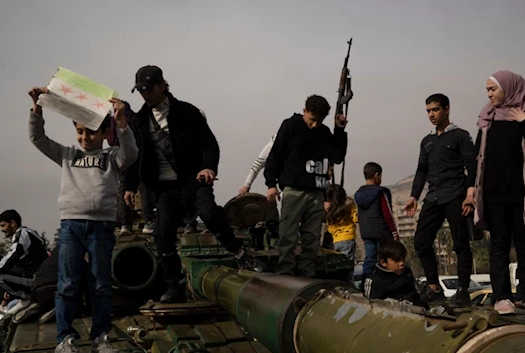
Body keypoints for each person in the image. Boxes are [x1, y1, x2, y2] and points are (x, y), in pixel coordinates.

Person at [124, 65, 264, 304]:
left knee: (210, 213)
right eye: (140, 90)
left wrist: (209, 167)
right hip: (166, 188)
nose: (144, 94)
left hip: (193, 180)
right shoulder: (139, 121)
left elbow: (210, 145)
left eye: (148, 88)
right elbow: (135, 155)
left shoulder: (187, 112)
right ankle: (173, 285)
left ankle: (240, 253)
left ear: (161, 86)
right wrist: (129, 185)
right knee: (162, 231)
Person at [28, 86, 138, 352]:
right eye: (79, 131)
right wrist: (37, 109)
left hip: (101, 227)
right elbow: (38, 138)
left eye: (91, 131)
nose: (85, 137)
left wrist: (121, 122)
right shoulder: (67, 154)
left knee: (100, 284)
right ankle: (65, 338)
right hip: (71, 226)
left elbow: (131, 154)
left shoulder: (112, 156)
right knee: (67, 283)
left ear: (103, 133)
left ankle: (101, 337)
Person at [468, 71, 525, 316]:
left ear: (509, 88)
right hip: (494, 194)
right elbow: (478, 155)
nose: (489, 94)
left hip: (522, 193)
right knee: (499, 245)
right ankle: (502, 297)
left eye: (493, 89)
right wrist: (472, 187)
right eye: (487, 90)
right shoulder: (488, 117)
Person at [264, 94, 348, 277]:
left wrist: (339, 130)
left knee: (311, 240)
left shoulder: (324, 133)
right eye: (312, 120)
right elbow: (274, 156)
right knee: (288, 236)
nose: (315, 125)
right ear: (304, 111)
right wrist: (271, 184)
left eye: (319, 121)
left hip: (317, 193)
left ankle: (306, 274)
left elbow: (337, 156)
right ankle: (285, 274)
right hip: (294, 191)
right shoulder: (290, 126)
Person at [404, 93, 475, 305]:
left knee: (460, 243)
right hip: (433, 196)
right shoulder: (427, 141)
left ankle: (463, 290)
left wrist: (470, 195)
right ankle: (434, 288)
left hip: (456, 194)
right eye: (428, 111)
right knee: (421, 242)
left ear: (447, 109)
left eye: (435, 110)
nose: (431, 115)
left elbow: (472, 166)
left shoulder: (460, 136)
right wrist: (414, 196)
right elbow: (421, 170)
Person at [110, 100, 157, 237]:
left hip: (122, 158)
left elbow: (111, 140)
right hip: (140, 156)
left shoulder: (113, 120)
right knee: (145, 187)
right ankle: (149, 219)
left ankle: (125, 224)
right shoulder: (135, 118)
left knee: (124, 189)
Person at [0, 210, 48, 300]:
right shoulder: (23, 235)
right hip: (32, 275)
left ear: (12, 223)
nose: (1, 230)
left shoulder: (23, 233)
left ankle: (28, 298)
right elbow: (5, 263)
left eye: (3, 225)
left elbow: (12, 257)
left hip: (38, 277)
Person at [354, 162, 399, 287]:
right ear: (376, 175)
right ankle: (386, 285)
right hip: (382, 232)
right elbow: (387, 214)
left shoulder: (359, 195)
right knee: (384, 260)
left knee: (369, 260)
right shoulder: (380, 192)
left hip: (367, 233)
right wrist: (394, 232)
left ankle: (366, 285)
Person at [363, 239, 427, 308]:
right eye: (397, 260)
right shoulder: (375, 281)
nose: (402, 263)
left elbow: (416, 296)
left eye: (403, 259)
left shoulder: (407, 273)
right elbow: (370, 306)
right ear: (383, 262)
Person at [324, 184, 357, 283]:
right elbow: (356, 218)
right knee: (348, 267)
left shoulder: (329, 210)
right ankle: (347, 286)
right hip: (348, 239)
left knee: (339, 267)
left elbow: (329, 228)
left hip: (336, 241)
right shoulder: (349, 206)